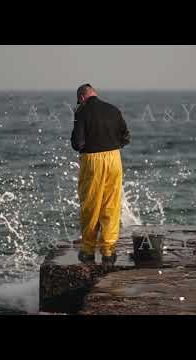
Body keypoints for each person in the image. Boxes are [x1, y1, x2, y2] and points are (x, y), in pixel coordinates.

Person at [71, 84, 131, 267]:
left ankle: (88, 251)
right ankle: (108, 251)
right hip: (114, 159)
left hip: (92, 160)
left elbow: (78, 143)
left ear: (82, 98)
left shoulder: (82, 111)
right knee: (111, 204)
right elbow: (126, 138)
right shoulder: (113, 109)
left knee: (91, 204)